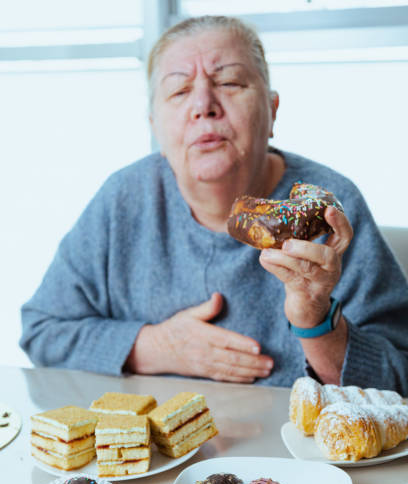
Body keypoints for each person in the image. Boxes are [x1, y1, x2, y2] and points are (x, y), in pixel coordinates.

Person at [20, 15, 408, 394]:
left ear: (272, 111)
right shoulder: (123, 199)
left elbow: (400, 378)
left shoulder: (328, 209)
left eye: (229, 81)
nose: (204, 104)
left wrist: (316, 320)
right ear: (155, 125)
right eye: (179, 90)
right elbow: (42, 331)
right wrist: (154, 347)